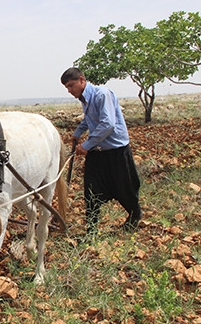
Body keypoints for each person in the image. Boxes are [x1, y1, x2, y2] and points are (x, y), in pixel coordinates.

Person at [60, 67, 142, 234]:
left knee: (124, 188)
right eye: (66, 87)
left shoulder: (101, 95)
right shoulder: (84, 99)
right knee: (91, 190)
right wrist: (77, 133)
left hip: (116, 151)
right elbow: (89, 119)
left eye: (71, 85)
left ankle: (135, 215)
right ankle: (91, 231)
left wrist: (86, 145)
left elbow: (107, 124)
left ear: (82, 80)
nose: (69, 90)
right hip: (98, 152)